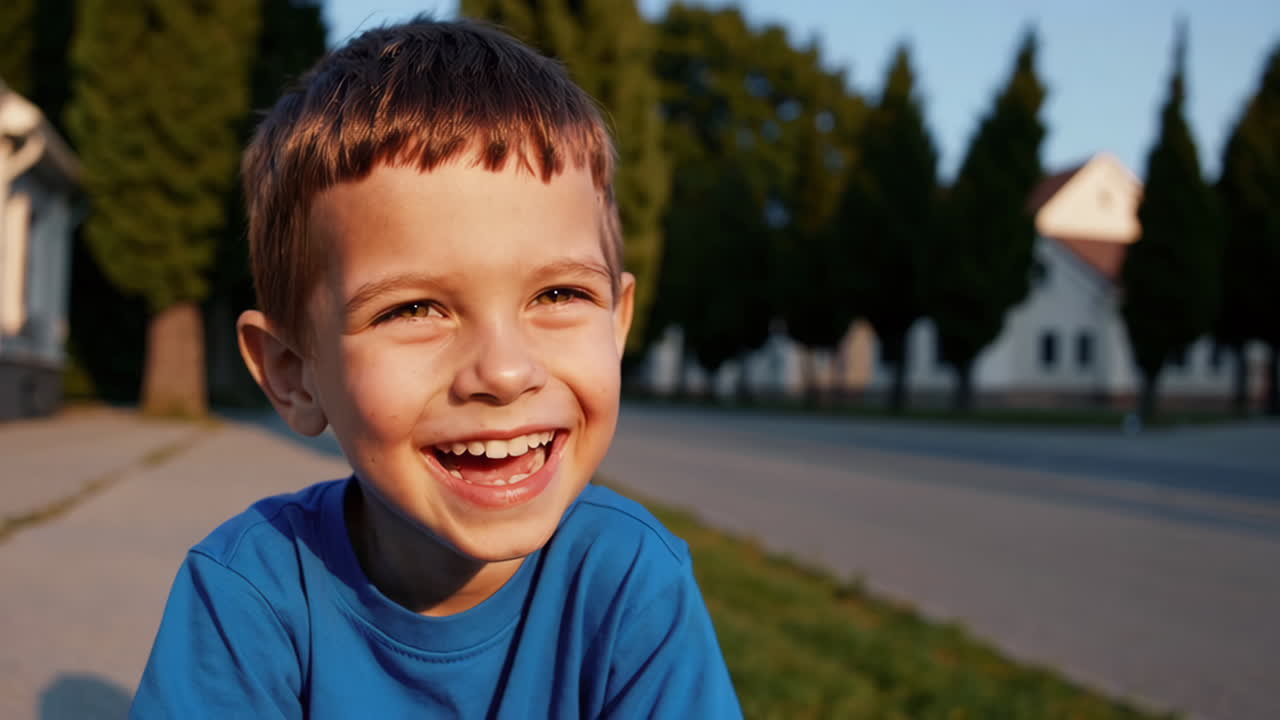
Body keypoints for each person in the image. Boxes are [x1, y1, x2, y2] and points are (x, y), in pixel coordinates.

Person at [129, 17, 741, 719]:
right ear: (294, 374)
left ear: (617, 321)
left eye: (559, 294)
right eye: (414, 310)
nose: (505, 373)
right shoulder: (252, 591)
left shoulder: (630, 580)